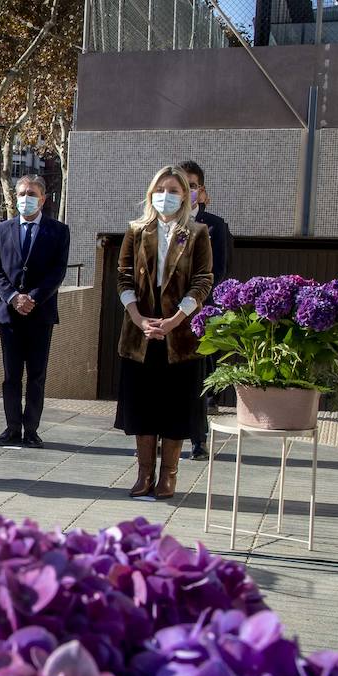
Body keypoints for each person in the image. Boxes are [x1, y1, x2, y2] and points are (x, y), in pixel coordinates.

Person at [115, 165, 213, 500]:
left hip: (179, 334)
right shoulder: (137, 230)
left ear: (186, 194)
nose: (165, 196)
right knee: (143, 406)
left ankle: (168, 477)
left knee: (175, 407)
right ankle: (144, 474)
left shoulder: (197, 233)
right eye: (160, 189)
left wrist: (174, 320)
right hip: (140, 330)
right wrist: (139, 317)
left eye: (173, 190)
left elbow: (203, 281)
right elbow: (124, 277)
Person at [0, 174, 71, 449]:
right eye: (21, 193)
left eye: (31, 194)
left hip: (41, 313)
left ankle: (31, 429)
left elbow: (57, 271)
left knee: (36, 375)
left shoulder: (58, 231)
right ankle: (12, 427)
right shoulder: (1, 230)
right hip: (9, 315)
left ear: (43, 199)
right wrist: (12, 297)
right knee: (11, 375)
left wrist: (33, 298)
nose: (25, 199)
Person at [179, 160, 233, 462]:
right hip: (169, 315)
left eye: (193, 185)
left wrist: (196, 303)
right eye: (181, 185)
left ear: (201, 190)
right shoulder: (166, 223)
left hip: (200, 314)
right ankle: (165, 436)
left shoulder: (215, 225)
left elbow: (220, 270)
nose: (187, 191)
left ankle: (199, 441)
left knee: (199, 381)